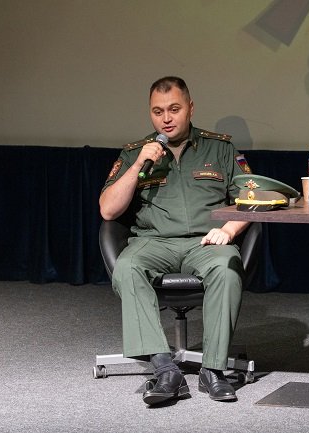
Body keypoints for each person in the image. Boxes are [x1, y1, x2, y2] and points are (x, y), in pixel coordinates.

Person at [100, 76, 252, 406]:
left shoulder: (220, 148)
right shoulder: (135, 152)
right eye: (158, 112)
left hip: (207, 242)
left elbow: (252, 199)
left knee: (227, 268)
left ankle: (213, 370)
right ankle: (165, 369)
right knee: (127, 267)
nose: (166, 119)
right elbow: (108, 210)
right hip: (154, 242)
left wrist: (228, 231)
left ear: (190, 108)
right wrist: (138, 165)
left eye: (174, 109)